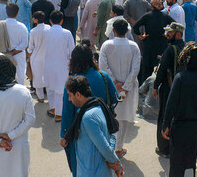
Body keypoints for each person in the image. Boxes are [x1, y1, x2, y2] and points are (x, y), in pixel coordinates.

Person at [162, 45, 197, 176]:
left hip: (181, 128)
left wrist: (165, 124)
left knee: (177, 165)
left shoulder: (180, 77)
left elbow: (171, 104)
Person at [61, 45, 118, 176]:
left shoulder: (73, 83)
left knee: (81, 166)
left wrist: (64, 135)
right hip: (104, 126)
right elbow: (115, 99)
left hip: (80, 133)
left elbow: (67, 113)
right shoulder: (104, 76)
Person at [99, 19, 141, 158]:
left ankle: (109, 147)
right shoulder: (134, 46)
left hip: (110, 88)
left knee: (109, 114)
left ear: (113, 31)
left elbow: (103, 67)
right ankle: (118, 147)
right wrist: (125, 85)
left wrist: (114, 83)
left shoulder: (106, 45)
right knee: (123, 118)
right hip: (127, 89)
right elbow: (135, 69)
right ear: (128, 30)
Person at [153, 22, 185, 158]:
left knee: (165, 117)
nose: (167, 34)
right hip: (183, 89)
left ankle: (164, 148)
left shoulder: (171, 49)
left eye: (170, 32)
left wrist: (155, 86)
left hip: (169, 87)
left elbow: (161, 70)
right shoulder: (187, 47)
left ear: (178, 34)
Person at [133, 0, 174, 83]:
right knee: (160, 64)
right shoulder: (165, 16)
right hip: (161, 43)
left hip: (149, 42)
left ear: (152, 6)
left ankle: (145, 86)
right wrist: (168, 35)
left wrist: (141, 36)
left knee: (147, 65)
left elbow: (135, 26)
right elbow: (175, 25)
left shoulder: (147, 16)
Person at [44, 10, 75, 122]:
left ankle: (53, 108)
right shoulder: (67, 33)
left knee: (50, 87)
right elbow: (72, 51)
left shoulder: (45, 32)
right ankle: (59, 113)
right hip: (62, 65)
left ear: (50, 20)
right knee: (60, 90)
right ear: (62, 21)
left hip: (48, 64)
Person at [27, 11, 50, 102]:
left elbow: (30, 47)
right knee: (48, 77)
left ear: (36, 19)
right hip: (47, 57)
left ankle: (40, 97)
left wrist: (29, 59)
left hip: (36, 57)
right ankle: (49, 97)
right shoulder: (49, 28)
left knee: (37, 77)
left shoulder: (33, 31)